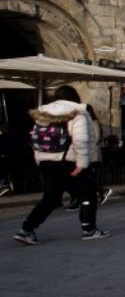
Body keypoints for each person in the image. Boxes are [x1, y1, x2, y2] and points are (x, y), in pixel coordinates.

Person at [13, 86, 109, 244]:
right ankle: (89, 229)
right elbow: (81, 140)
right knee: (88, 194)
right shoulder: (78, 112)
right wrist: (83, 163)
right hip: (69, 161)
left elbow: (38, 140)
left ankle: (27, 229)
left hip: (46, 162)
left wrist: (40, 161)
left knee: (50, 198)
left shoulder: (43, 113)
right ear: (74, 96)